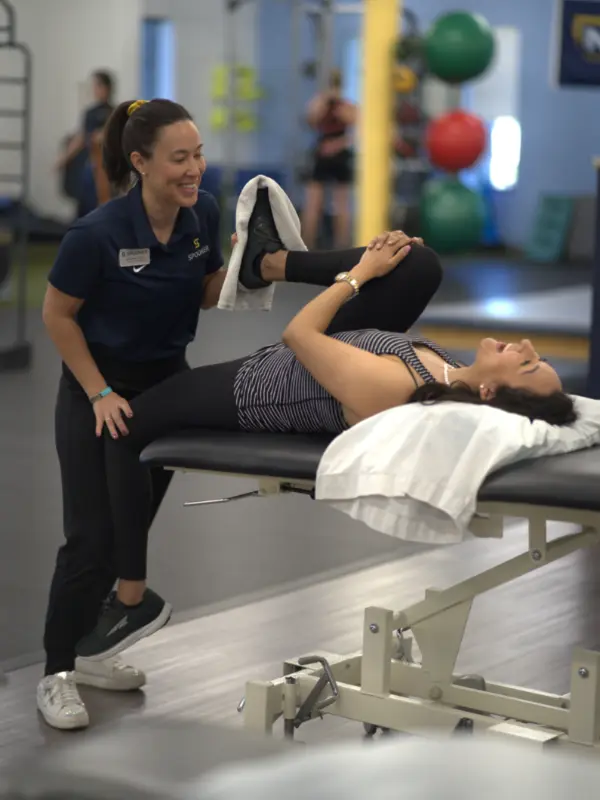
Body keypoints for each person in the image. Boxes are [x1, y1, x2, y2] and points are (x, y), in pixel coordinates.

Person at [38, 95, 422, 732]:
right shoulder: (96, 235)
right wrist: (101, 394)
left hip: (164, 390)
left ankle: (89, 652)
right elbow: (58, 317)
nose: (195, 169)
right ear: (139, 162)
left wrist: (250, 259)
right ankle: (55, 673)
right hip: (97, 396)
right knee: (89, 539)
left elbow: (208, 287)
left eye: (199, 154)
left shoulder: (201, 213)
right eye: (179, 158)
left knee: (129, 527)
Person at [71, 216, 573, 675]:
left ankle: (132, 599)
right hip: (322, 359)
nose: (527, 347)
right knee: (418, 263)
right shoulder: (444, 371)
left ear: (489, 394)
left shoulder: (395, 387)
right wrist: (385, 266)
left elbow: (299, 333)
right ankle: (264, 260)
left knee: (122, 428)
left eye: (527, 365)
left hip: (257, 387)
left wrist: (361, 272)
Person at [302, 69, 358, 249]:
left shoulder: (344, 105)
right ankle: (306, 244)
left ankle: (340, 244)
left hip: (335, 153)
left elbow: (358, 131)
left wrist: (337, 145)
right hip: (325, 152)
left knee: (338, 203)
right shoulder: (322, 103)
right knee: (315, 203)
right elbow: (311, 120)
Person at [56, 70, 116, 216]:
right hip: (88, 164)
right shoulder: (90, 113)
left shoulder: (114, 113)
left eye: (97, 86)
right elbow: (81, 137)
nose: (94, 90)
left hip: (103, 165)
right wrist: (63, 159)